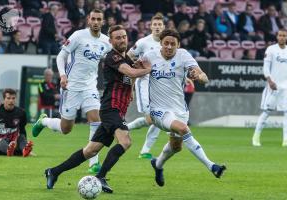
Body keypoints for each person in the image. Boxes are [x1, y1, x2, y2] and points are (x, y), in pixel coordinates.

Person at [44, 25, 151, 193]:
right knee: (125, 141)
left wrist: (131, 89)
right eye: (118, 37)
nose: (122, 39)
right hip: (111, 109)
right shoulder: (112, 57)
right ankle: (100, 177)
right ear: (111, 41)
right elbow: (130, 72)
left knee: (90, 150)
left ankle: (53, 171)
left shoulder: (128, 60)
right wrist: (148, 69)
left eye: (124, 36)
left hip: (117, 110)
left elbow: (130, 76)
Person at [140, 29, 226, 186]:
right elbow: (136, 71)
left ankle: (157, 165)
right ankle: (212, 166)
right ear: (161, 43)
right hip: (158, 110)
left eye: (173, 44)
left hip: (179, 109)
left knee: (176, 147)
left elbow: (203, 76)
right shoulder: (150, 56)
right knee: (184, 129)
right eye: (166, 43)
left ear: (178, 45)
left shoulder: (183, 55)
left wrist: (199, 77)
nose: (169, 46)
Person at [32, 9, 112, 175]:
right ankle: (44, 121)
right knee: (66, 128)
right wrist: (62, 75)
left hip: (90, 87)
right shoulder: (78, 36)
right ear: (89, 20)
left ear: (102, 22)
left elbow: (116, 56)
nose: (96, 21)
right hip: (71, 86)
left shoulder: (106, 41)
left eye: (99, 19)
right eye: (93, 18)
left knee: (96, 119)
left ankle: (93, 163)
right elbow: (60, 57)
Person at [126, 13, 165, 159]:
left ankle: (145, 151)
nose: (157, 27)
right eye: (155, 25)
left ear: (163, 27)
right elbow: (129, 56)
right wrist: (133, 75)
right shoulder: (143, 42)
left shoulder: (166, 43)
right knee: (151, 119)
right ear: (151, 26)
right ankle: (125, 128)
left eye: (159, 25)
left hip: (161, 85)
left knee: (159, 118)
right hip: (145, 83)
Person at [252, 29, 287, 147]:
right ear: (277, 37)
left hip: (286, 87)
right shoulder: (271, 50)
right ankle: (256, 137)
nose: (282, 37)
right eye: (280, 35)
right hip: (273, 86)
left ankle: (286, 140)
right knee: (267, 112)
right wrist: (269, 81)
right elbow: (266, 67)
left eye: (284, 35)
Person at [0, 89, 33, 157]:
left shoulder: (21, 113)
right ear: (3, 100)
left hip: (13, 142)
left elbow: (22, 130)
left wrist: (24, 142)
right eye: (8, 98)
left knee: (21, 137)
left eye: (13, 98)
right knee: (2, 141)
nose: (11, 100)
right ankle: (10, 150)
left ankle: (25, 150)